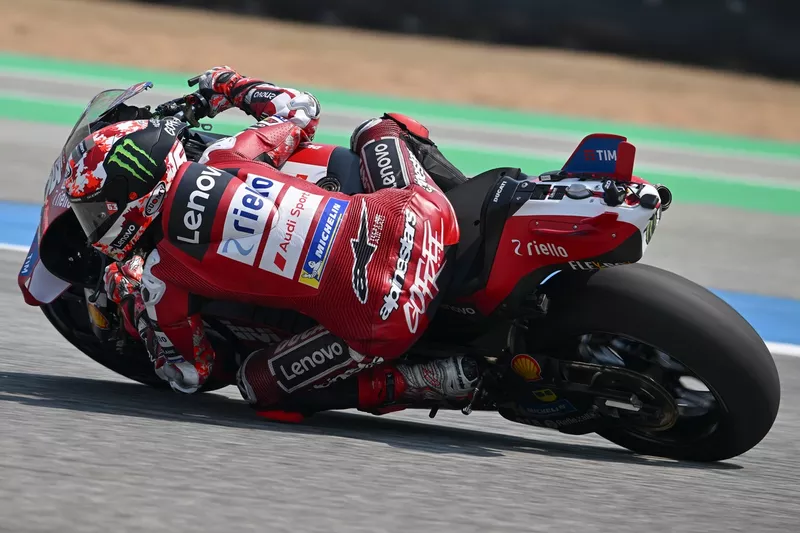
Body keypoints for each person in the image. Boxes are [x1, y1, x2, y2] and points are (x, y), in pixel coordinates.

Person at [65, 66, 478, 421]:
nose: (98, 222)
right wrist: (229, 85)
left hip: (389, 317)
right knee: (379, 129)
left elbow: (190, 373)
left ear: (137, 196)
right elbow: (301, 107)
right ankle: (476, 213)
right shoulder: (225, 156)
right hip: (426, 217)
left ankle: (415, 380)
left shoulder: (159, 276)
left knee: (258, 386)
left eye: (100, 210)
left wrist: (133, 301)